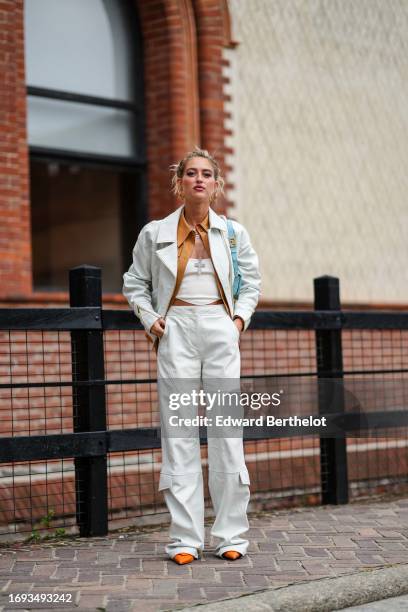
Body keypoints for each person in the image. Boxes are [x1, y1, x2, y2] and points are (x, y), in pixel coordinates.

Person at [123, 147, 260, 564]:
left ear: (216, 184)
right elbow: (134, 282)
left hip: (220, 327)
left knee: (225, 432)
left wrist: (237, 322)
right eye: (190, 174)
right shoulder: (154, 233)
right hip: (176, 329)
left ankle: (231, 535)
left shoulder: (234, 234)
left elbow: (251, 283)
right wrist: (151, 320)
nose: (199, 179)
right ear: (178, 183)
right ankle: (185, 538)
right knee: (180, 432)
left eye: (206, 174)